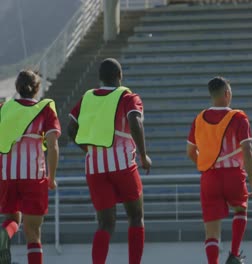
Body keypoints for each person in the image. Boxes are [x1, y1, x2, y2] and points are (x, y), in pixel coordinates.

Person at [67, 58, 151, 264]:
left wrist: (89, 150)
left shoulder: (87, 98)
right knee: (136, 216)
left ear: (100, 78)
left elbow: (70, 129)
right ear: (120, 77)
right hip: (122, 164)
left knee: (105, 223)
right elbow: (134, 120)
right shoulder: (127, 96)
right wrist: (142, 154)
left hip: (95, 166)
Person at [186, 77, 252, 264]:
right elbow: (248, 150)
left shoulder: (199, 119)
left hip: (209, 177)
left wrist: (205, 165)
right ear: (227, 94)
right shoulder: (238, 117)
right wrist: (251, 180)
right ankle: (234, 254)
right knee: (241, 209)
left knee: (211, 229)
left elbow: (190, 151)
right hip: (233, 173)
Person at [0, 70, 60, 264]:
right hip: (34, 175)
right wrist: (51, 178)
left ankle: (4, 237)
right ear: (37, 88)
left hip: (8, 174)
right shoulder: (45, 110)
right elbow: (52, 146)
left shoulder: (4, 108)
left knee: (12, 220)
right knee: (33, 232)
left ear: (17, 88)